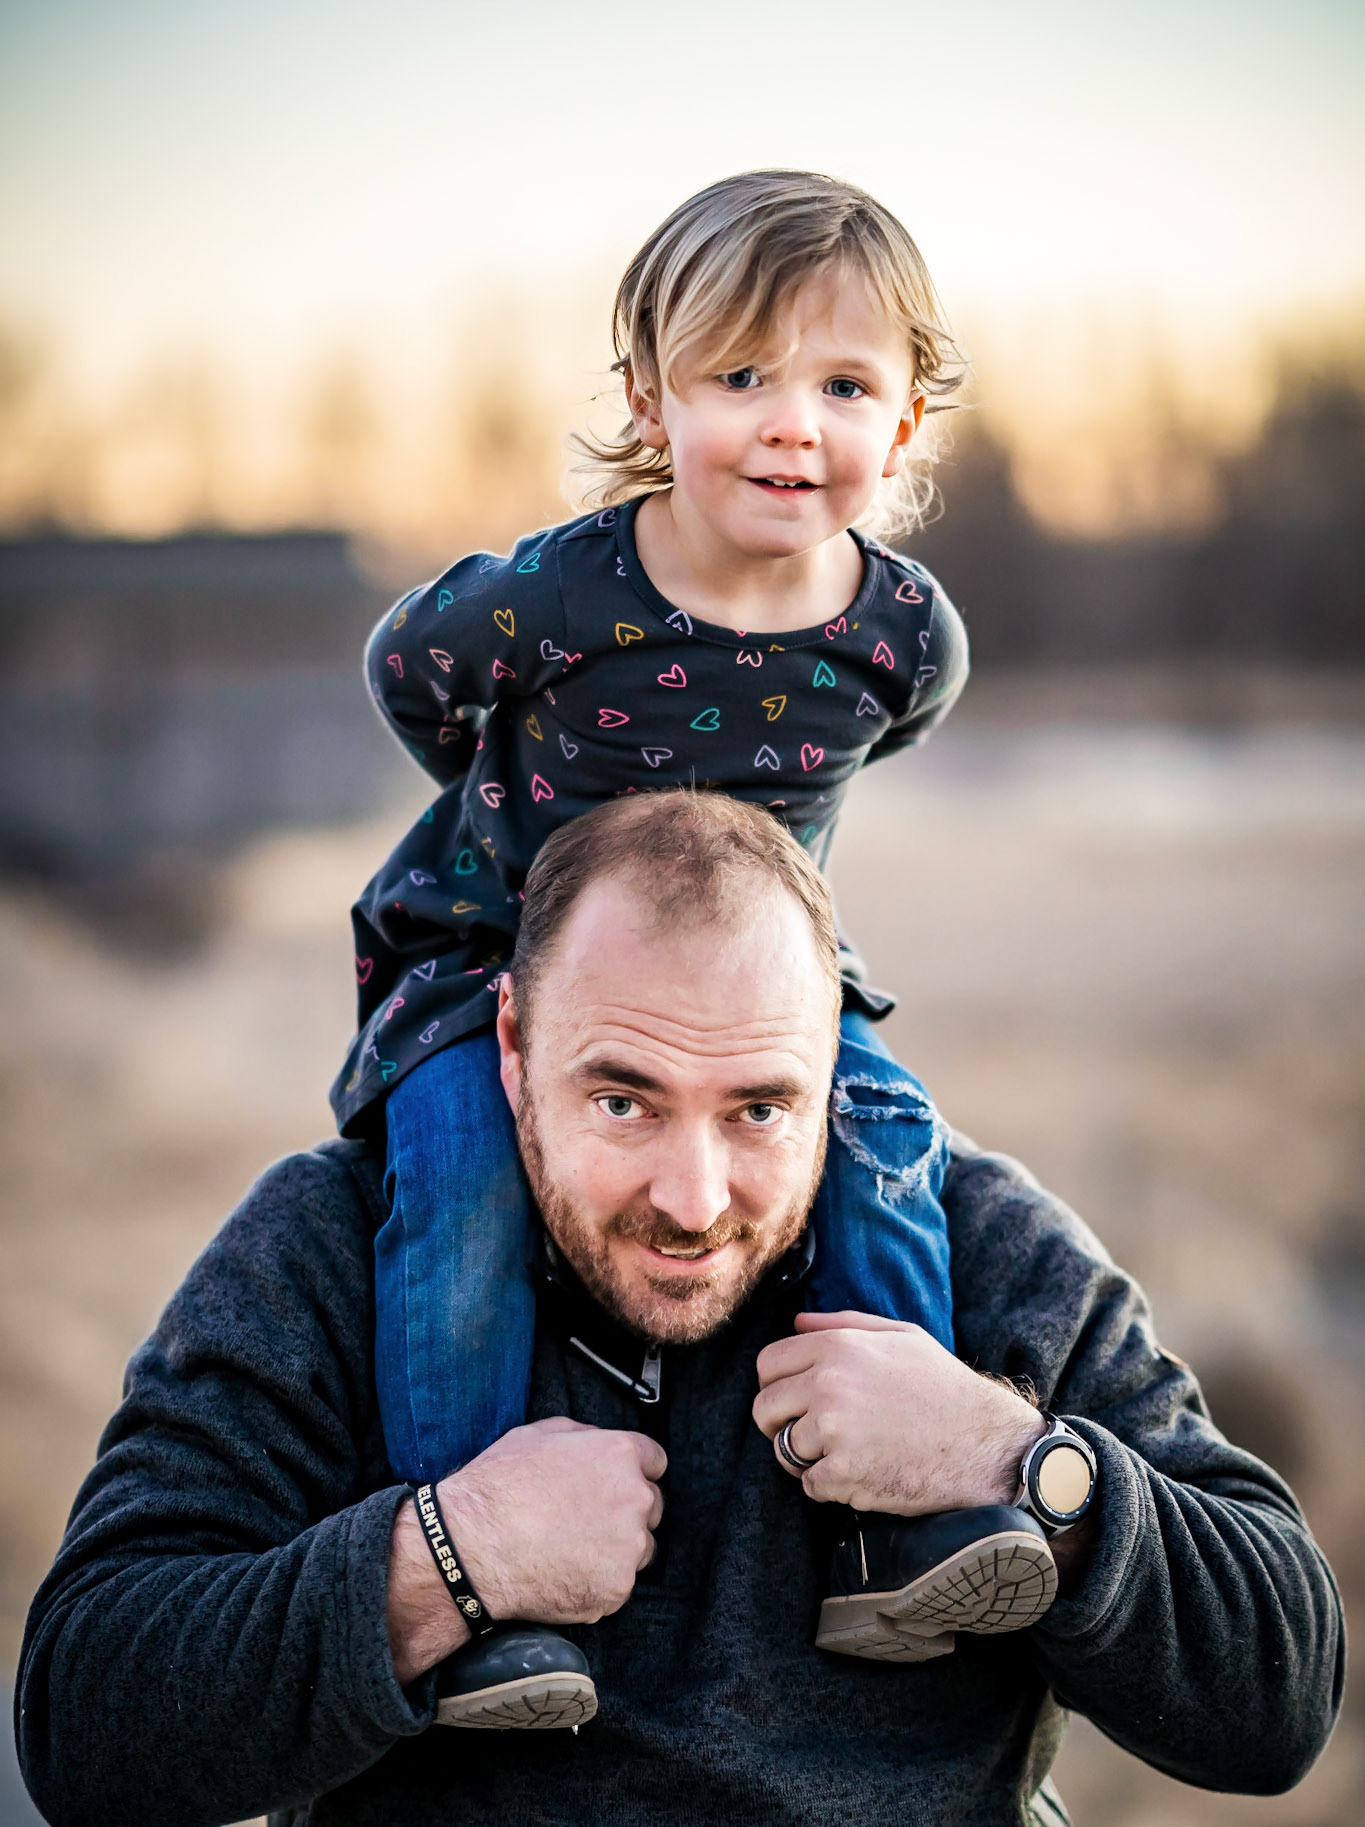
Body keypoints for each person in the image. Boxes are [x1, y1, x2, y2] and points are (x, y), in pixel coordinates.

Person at [16, 791, 1343, 1827]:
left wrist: (1015, 1462)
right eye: (622, 1100)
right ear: (512, 1044)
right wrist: (446, 1560)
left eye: (760, 1109)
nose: (694, 1198)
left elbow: (1275, 1694)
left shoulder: (974, 1250)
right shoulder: (332, 1254)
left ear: (836, 1066)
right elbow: (91, 1725)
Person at [337, 171, 1053, 1722]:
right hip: (502, 959)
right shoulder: (558, 595)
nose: (791, 423)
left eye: (843, 385)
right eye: (739, 377)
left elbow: (886, 738)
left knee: (884, 1131)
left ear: (907, 425)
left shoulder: (900, 634)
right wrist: (507, 820)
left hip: (757, 998)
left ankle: (891, 1523)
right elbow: (412, 673)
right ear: (649, 399)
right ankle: (495, 1587)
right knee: (457, 1172)